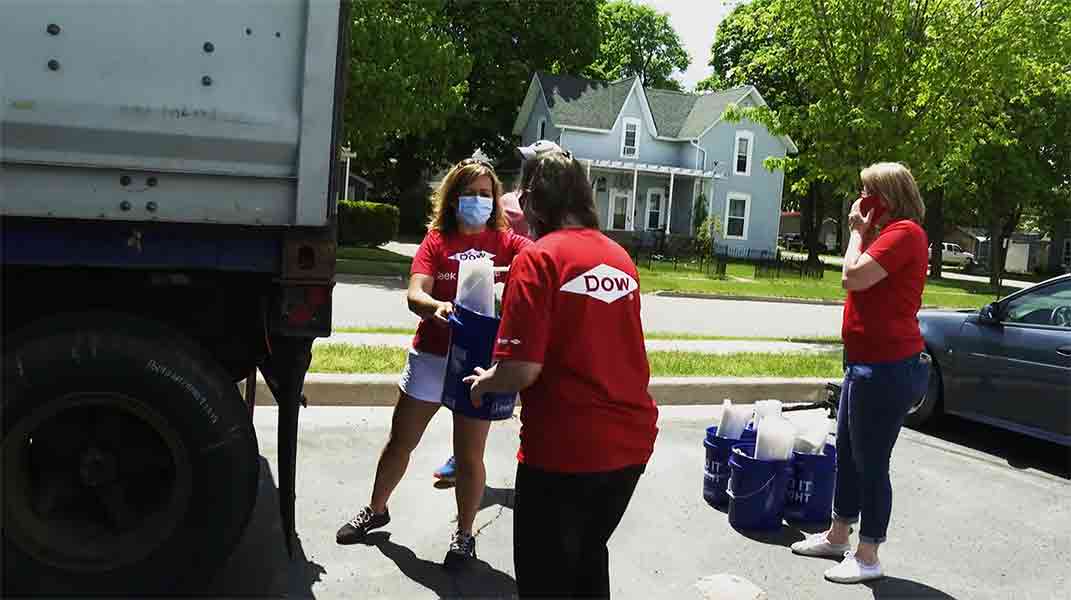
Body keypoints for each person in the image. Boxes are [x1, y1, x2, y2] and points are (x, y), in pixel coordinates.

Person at [463, 149, 658, 598]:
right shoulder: (620, 258)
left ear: (532, 201)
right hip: (629, 447)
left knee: (546, 578)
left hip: (565, 452)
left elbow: (522, 370)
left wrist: (486, 381)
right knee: (589, 558)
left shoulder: (538, 258)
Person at [335, 158, 531, 569]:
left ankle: (463, 536)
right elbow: (414, 293)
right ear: (453, 197)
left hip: (477, 362)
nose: (478, 201)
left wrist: (510, 272)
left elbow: (540, 262)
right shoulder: (436, 241)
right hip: (431, 355)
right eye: (470, 193)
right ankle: (376, 508)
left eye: (485, 194)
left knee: (469, 456)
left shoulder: (508, 241)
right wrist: (435, 306)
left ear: (495, 200)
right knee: (401, 441)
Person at [790, 162, 931, 584]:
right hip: (862, 362)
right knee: (848, 453)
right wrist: (864, 233)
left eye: (869, 192)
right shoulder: (885, 236)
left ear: (887, 196)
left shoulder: (905, 233)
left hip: (888, 367)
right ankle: (838, 535)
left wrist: (855, 231)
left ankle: (868, 553)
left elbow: (853, 276)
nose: (862, 200)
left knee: (872, 461)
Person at [431, 141, 564, 483]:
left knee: (530, 394)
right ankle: (463, 457)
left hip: (534, 306)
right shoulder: (504, 202)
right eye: (525, 161)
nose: (526, 167)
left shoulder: (559, 210)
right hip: (495, 308)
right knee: (483, 387)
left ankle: (536, 466)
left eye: (532, 161)